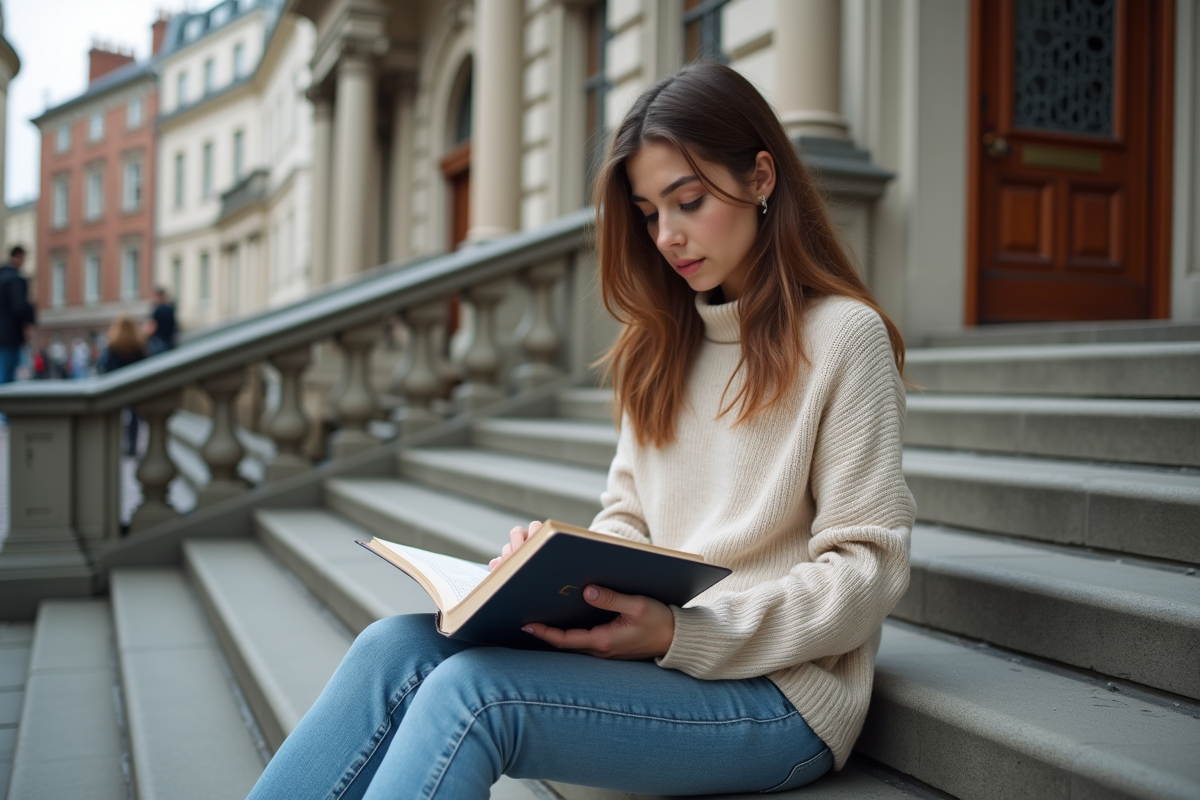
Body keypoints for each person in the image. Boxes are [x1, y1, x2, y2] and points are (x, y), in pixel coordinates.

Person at [248, 62, 915, 799]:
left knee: (472, 696)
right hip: (659, 657)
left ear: (762, 178)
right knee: (393, 647)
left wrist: (679, 633)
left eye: (688, 201)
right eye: (649, 212)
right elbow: (628, 518)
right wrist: (557, 576)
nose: (667, 235)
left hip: (781, 699)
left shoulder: (845, 338)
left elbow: (867, 569)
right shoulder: (660, 345)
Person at [98, 316, 147, 455]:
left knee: (116, 415)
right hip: (133, 386)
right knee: (134, 416)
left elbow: (106, 366)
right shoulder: (138, 345)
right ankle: (132, 446)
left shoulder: (113, 345)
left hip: (116, 386)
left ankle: (115, 444)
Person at [0, 245, 36, 385]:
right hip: (9, 334)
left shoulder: (2, 276)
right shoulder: (14, 279)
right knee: (6, 378)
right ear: (18, 256)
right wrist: (30, 317)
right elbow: (19, 306)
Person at [145, 286, 177, 356]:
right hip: (170, 343)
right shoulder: (170, 308)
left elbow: (152, 328)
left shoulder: (158, 310)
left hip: (159, 344)